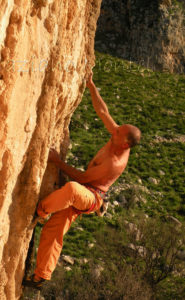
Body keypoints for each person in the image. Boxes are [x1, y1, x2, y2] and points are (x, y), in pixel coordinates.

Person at [23, 72, 141, 290]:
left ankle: (40, 212)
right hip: (84, 190)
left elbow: (83, 178)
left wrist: (57, 162)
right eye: (116, 129)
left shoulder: (115, 162)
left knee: (71, 189)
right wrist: (91, 84)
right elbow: (103, 111)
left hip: (92, 196)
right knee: (54, 230)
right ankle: (41, 276)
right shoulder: (118, 137)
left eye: (117, 133)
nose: (113, 131)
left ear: (125, 145)